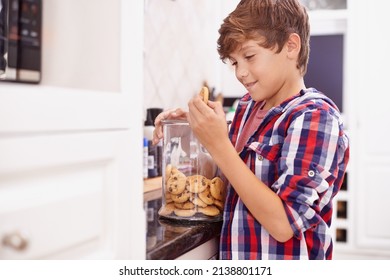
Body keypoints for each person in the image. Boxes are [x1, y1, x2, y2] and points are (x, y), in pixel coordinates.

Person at [153, 0, 349, 260]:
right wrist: (192, 132)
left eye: (249, 56)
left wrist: (219, 144)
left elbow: (283, 224)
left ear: (291, 46)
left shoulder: (315, 117)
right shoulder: (247, 107)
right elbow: (229, 178)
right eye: (234, 62)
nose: (240, 73)